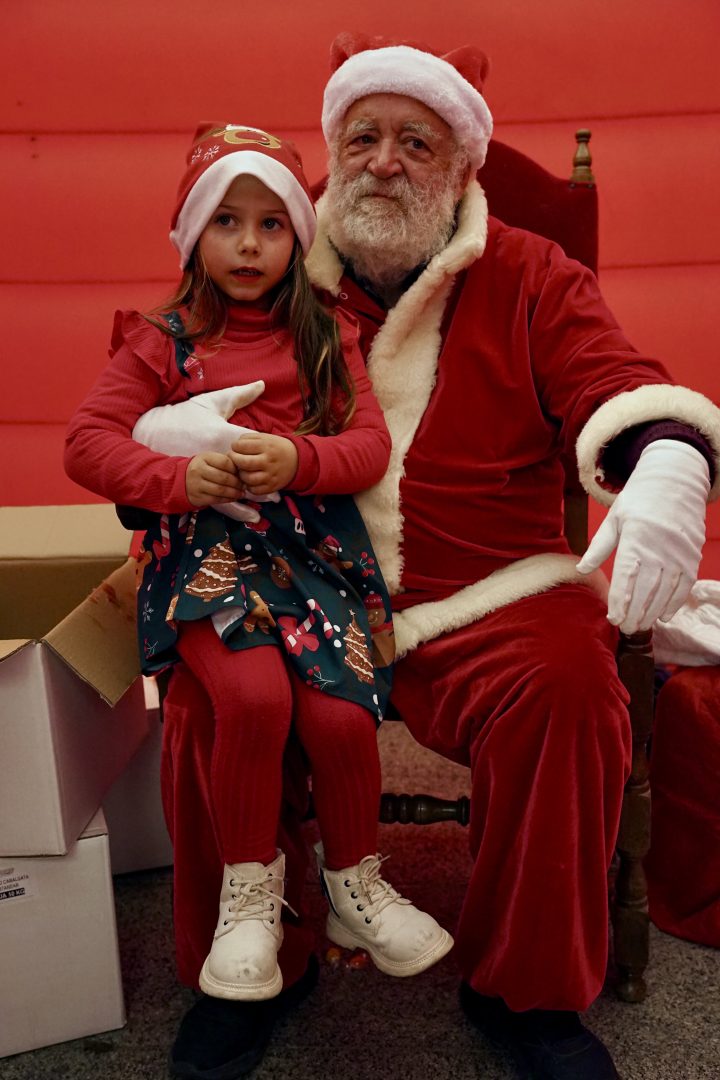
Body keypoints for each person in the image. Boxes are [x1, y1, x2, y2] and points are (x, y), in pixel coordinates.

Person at [135, 38, 720, 1080]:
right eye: (363, 136)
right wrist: (167, 452)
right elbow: (157, 385)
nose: (384, 162)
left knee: (572, 688)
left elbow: (612, 375)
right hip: (293, 582)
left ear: (462, 165)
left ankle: (525, 993)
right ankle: (255, 965)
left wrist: (668, 455)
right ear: (332, 151)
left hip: (486, 591)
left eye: (418, 141)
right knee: (202, 698)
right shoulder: (267, 262)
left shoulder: (532, 274)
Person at [64, 123, 453, 1071]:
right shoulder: (161, 342)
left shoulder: (324, 332)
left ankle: (354, 885)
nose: (248, 245)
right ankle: (249, 900)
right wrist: (175, 478)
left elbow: (369, 447)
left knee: (342, 716)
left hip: (312, 559)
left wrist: (300, 459)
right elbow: (87, 443)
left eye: (272, 224)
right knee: (251, 695)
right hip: (206, 561)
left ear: (297, 236)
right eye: (226, 222)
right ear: (193, 233)